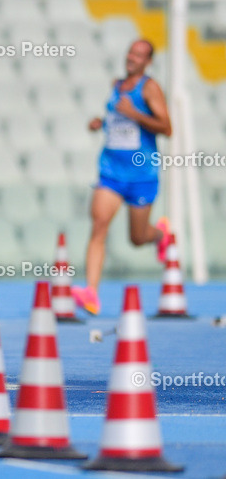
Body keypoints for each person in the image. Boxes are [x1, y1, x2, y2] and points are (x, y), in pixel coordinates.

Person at [72, 39, 172, 315]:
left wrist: (135, 113)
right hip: (111, 172)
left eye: (139, 55)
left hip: (141, 174)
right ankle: (91, 292)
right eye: (131, 51)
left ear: (148, 61)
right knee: (99, 226)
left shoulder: (150, 88)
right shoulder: (116, 86)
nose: (132, 57)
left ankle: (159, 234)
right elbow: (118, 123)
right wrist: (100, 123)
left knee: (137, 238)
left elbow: (166, 127)